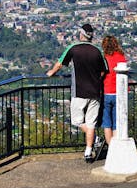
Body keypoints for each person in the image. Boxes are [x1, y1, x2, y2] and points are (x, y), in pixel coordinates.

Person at [46, 23, 108, 162]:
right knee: (91, 123)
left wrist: (51, 72)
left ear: (81, 35)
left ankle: (96, 140)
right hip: (95, 91)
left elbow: (60, 63)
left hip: (79, 91)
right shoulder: (97, 50)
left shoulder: (73, 48)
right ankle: (88, 151)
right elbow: (104, 71)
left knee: (77, 121)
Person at [101, 35, 126, 145]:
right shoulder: (121, 57)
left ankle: (111, 149)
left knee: (107, 123)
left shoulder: (104, 58)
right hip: (119, 93)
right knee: (116, 123)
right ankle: (116, 148)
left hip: (106, 92)